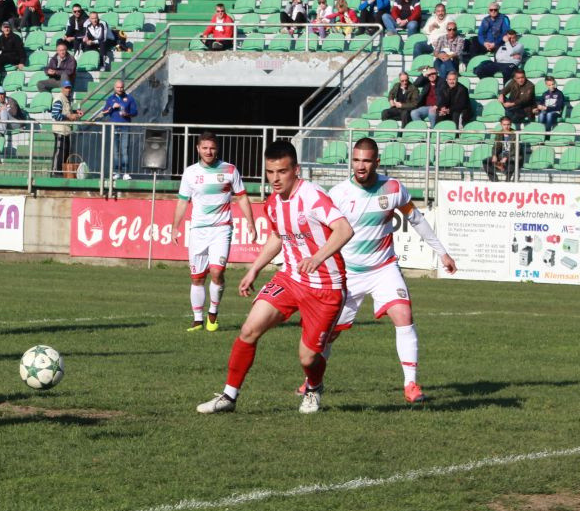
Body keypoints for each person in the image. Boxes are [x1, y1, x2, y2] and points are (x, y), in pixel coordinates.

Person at [196, 139, 352, 415]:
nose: (275, 179)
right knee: (249, 329)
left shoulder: (313, 196)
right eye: (270, 172)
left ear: (296, 170)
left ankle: (314, 388)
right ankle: (229, 397)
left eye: (282, 171)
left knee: (308, 357)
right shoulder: (273, 203)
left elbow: (344, 230)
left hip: (326, 287)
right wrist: (254, 268)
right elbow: (278, 238)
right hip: (290, 279)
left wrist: (317, 258)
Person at [317, 138, 457, 403]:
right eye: (356, 160)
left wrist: (442, 252)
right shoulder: (337, 194)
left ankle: (411, 385)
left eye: (366, 161)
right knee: (329, 332)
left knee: (404, 315)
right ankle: (312, 382)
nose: (360, 166)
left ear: (376, 162)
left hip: (384, 268)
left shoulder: (392, 188)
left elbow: (417, 220)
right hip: (348, 274)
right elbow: (323, 233)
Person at [170, 133, 257, 332]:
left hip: (221, 228)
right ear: (198, 149)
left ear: (217, 149)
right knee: (197, 278)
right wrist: (175, 226)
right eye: (205, 148)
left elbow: (242, 198)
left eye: (212, 148)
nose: (209, 151)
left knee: (217, 272)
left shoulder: (229, 170)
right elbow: (183, 201)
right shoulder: (190, 173)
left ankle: (213, 314)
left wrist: (250, 223)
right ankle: (198, 320)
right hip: (198, 230)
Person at [102, 80, 140, 180]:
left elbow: (135, 112)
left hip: (125, 126)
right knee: (115, 150)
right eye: (118, 87)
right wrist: (111, 107)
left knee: (124, 149)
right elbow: (104, 112)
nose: (120, 89)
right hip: (114, 126)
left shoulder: (129, 98)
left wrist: (126, 113)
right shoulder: (110, 99)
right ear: (114, 88)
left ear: (124, 87)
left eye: (121, 87)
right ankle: (116, 172)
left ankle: (126, 172)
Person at [49, 80, 83, 174]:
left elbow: (67, 112)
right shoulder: (59, 99)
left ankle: (61, 173)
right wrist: (69, 116)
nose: (68, 90)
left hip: (66, 131)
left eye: (69, 88)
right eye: (66, 87)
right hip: (60, 131)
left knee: (65, 154)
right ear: (62, 88)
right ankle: (55, 172)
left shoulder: (66, 99)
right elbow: (55, 115)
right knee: (59, 153)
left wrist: (76, 113)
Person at [483, 117, 520, 181]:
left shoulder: (515, 134)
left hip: (512, 155)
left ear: (510, 124)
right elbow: (495, 146)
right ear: (501, 124)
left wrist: (506, 157)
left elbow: (516, 149)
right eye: (504, 125)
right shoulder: (499, 134)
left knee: (512, 161)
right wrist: (494, 155)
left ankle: (507, 180)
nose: (506, 126)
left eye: (508, 124)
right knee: (485, 161)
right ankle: (495, 180)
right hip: (501, 155)